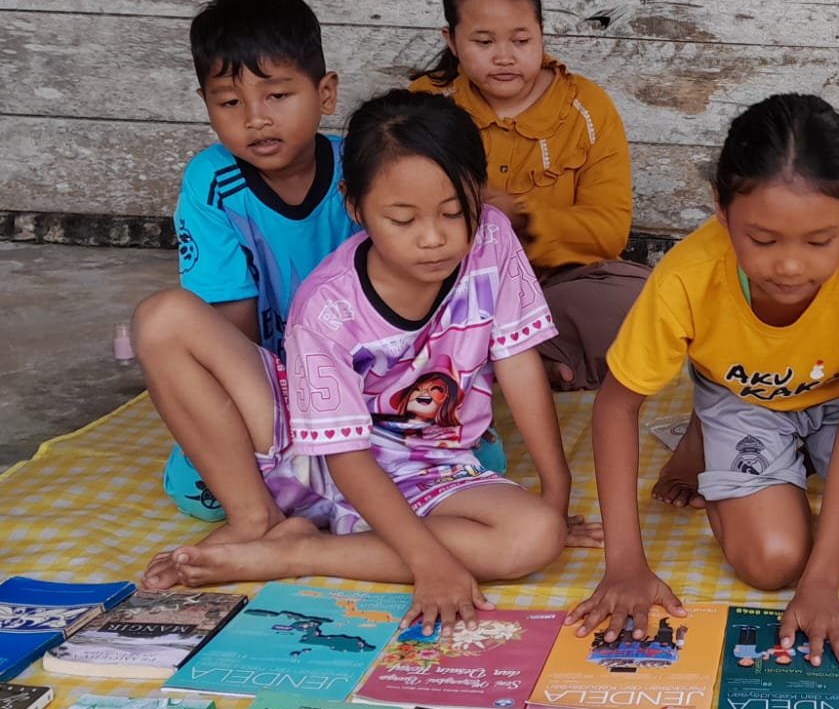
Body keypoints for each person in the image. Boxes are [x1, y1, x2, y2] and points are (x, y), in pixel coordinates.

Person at [142, 90, 600, 634]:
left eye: (454, 212)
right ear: (354, 206)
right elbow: (345, 456)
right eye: (402, 220)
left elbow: (520, 363)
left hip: (427, 464)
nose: (434, 238)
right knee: (163, 316)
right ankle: (258, 519)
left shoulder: (493, 240)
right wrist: (429, 562)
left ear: (479, 192)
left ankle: (299, 552)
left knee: (535, 537)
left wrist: (555, 495)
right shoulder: (325, 305)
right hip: (308, 446)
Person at [570, 93, 839, 666]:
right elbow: (616, 407)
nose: (790, 266)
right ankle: (706, 430)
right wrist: (626, 565)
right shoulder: (687, 275)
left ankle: (778, 458)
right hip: (745, 396)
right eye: (762, 240)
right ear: (720, 208)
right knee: (772, 562)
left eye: (820, 241)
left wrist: (822, 583)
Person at [145, 0, 507, 527]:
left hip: (384, 389)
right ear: (206, 104)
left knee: (489, 457)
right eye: (229, 102)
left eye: (277, 96)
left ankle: (334, 500)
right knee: (195, 486)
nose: (256, 118)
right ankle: (266, 519)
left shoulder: (367, 171)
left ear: (326, 92)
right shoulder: (211, 184)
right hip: (280, 391)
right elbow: (232, 332)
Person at [411, 0, 646, 392]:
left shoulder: (587, 109)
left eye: (521, 40)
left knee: (642, 300)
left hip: (550, 289)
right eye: (483, 41)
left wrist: (524, 217)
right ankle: (510, 363)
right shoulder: (424, 105)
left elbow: (611, 231)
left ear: (541, 34)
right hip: (449, 285)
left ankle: (503, 360)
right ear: (452, 39)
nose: (504, 57)